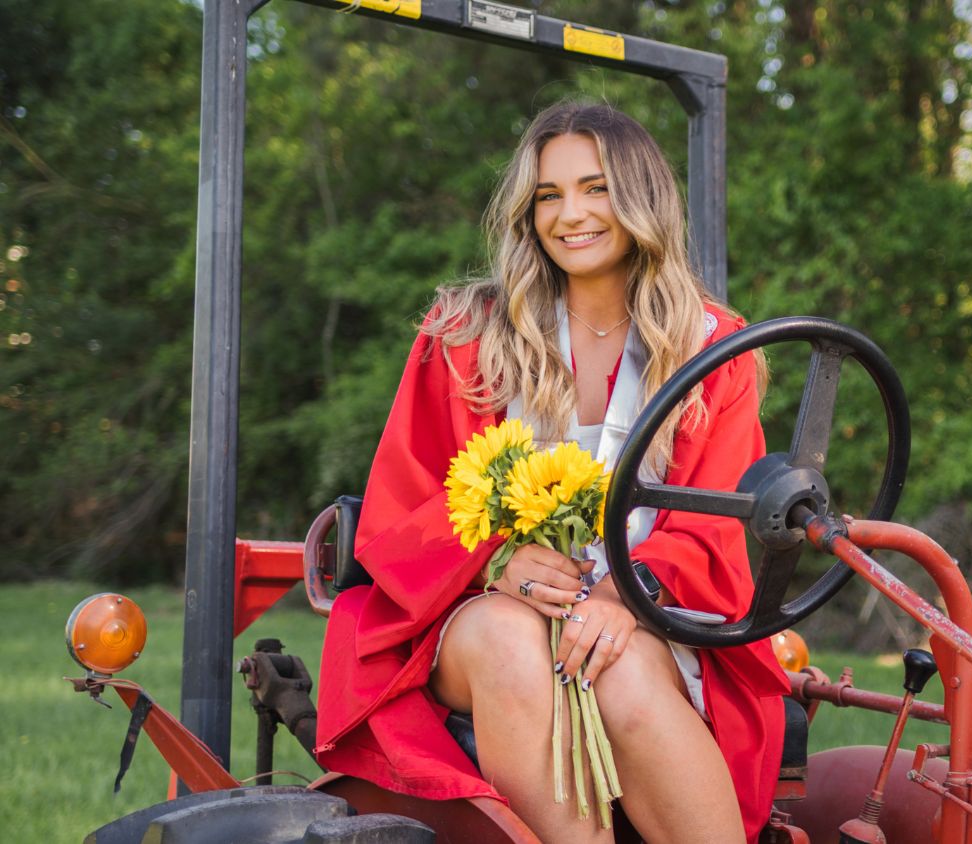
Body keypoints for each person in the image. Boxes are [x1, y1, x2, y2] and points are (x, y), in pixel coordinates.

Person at [313, 102, 789, 843]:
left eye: (596, 188)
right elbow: (404, 504)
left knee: (621, 664)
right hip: (473, 610)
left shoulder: (710, 351)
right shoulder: (469, 335)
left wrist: (625, 595)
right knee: (513, 641)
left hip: (651, 613)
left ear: (641, 200)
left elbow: (713, 526)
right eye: (548, 195)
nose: (571, 215)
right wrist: (497, 560)